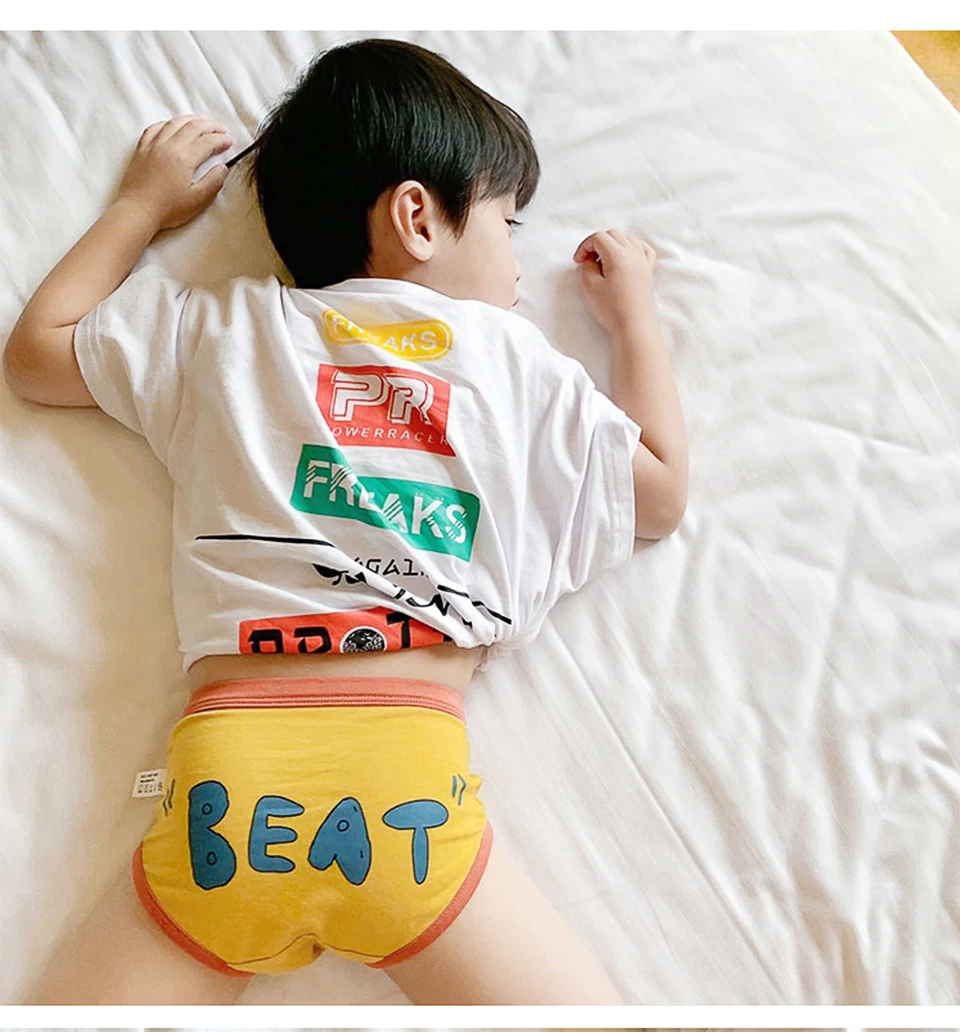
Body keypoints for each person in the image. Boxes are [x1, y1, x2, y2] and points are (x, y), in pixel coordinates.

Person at [4, 37, 687, 1005]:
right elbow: (659, 492)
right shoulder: (507, 356)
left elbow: (38, 352)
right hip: (406, 799)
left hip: (226, 808)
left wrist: (140, 209)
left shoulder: (224, 330)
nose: (518, 263)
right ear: (418, 217)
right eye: (506, 221)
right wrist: (636, 321)